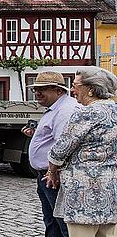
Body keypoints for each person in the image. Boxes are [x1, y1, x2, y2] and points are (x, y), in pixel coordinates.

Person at [46, 67, 117, 237]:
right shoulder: (115, 110)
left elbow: (60, 150)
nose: (71, 90)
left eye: (76, 85)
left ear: (91, 89)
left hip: (83, 194)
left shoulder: (85, 113)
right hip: (111, 191)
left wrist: (52, 171)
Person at [22, 72, 79, 237]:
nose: (38, 93)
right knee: (52, 222)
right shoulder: (55, 108)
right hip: (47, 176)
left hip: (53, 177)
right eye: (36, 89)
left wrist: (52, 172)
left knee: (63, 224)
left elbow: (64, 145)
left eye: (43, 89)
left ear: (58, 91)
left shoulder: (65, 110)